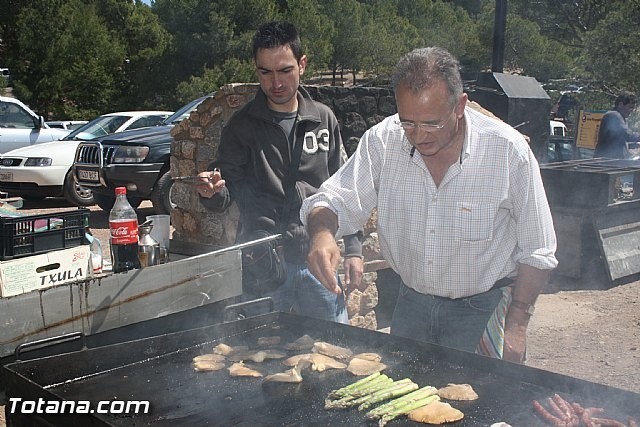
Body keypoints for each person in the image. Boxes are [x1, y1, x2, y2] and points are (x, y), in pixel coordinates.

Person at [300, 47, 558, 362]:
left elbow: (539, 250)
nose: (418, 136)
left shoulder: (507, 151)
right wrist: (322, 233)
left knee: (483, 404)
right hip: (411, 306)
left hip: (483, 309)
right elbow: (333, 198)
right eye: (408, 123)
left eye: (432, 124)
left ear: (460, 105)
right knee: (403, 400)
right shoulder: (384, 141)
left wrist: (518, 322)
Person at [196, 20, 363, 323]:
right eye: (266, 72)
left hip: (318, 259)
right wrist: (213, 191)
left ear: (302, 64)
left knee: (335, 349)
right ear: (256, 69)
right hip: (263, 266)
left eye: (285, 70)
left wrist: (354, 249)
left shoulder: (324, 120)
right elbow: (224, 192)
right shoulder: (241, 126)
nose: (276, 83)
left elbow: (345, 188)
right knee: (261, 355)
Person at [594, 91, 640, 159]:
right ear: (620, 104)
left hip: (612, 161)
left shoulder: (621, 118)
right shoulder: (613, 115)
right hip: (606, 162)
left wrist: (635, 145)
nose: (632, 111)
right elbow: (626, 134)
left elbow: (618, 141)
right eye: (630, 107)